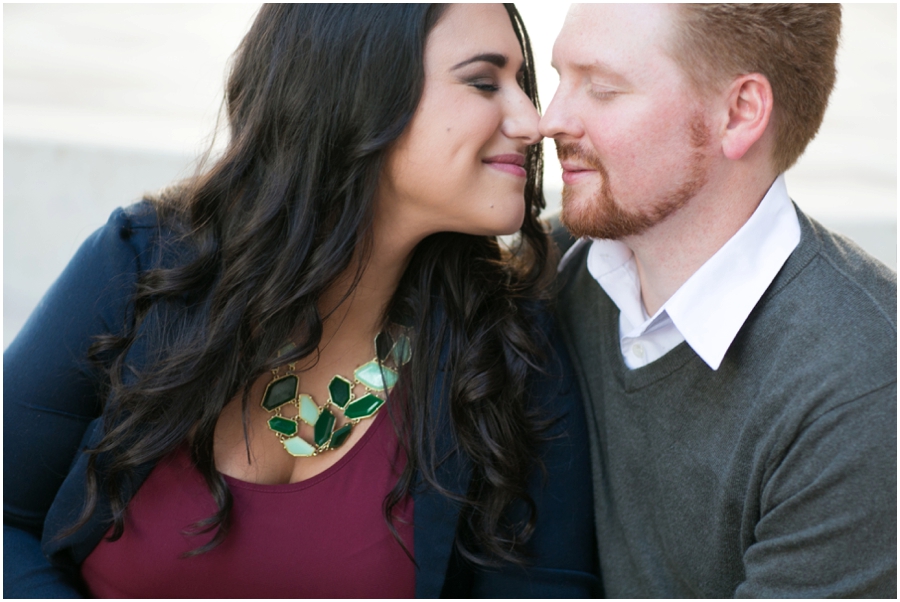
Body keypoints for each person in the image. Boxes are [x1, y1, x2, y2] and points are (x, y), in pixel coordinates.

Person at [4, 4, 598, 598]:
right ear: (357, 89)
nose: (532, 120)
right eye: (483, 82)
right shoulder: (143, 266)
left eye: (521, 85)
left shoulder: (510, 348)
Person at [542, 3, 896, 597]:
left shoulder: (861, 390)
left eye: (601, 89)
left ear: (740, 114)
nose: (550, 119)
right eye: (558, 80)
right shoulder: (557, 269)